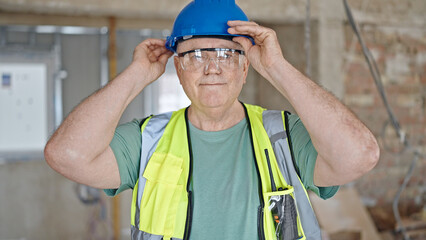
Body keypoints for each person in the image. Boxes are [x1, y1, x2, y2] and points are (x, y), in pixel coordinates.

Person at [44, 0, 380, 239]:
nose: (212, 68)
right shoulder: (148, 140)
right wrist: (135, 76)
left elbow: (359, 155)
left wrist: (277, 68)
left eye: (226, 54)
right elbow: (66, 155)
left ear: (245, 66)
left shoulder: (284, 137)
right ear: (178, 69)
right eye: (195, 55)